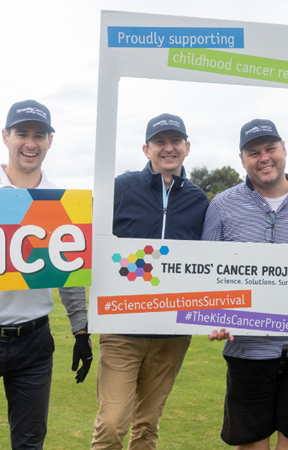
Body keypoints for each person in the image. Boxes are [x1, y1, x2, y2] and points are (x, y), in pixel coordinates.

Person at [0, 99, 92, 450]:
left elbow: (68, 274)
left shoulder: (61, 200)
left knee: (29, 443)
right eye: (21, 133)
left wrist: (80, 329)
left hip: (33, 342)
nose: (30, 143)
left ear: (50, 141)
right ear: (5, 137)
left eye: (39, 135)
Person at [204, 119, 288, 450]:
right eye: (253, 152)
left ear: (284, 151)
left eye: (270, 149)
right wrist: (213, 316)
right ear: (242, 159)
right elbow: (206, 269)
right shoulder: (221, 205)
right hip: (247, 346)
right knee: (250, 441)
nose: (263, 158)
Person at [91, 113, 210, 450]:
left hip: (172, 334)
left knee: (147, 427)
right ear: (147, 149)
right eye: (160, 141)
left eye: (176, 141)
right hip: (121, 329)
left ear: (187, 147)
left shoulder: (199, 201)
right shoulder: (121, 188)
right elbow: (93, 243)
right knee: (112, 424)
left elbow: (209, 263)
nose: (168, 148)